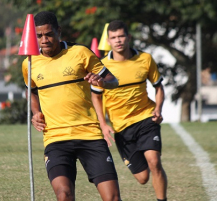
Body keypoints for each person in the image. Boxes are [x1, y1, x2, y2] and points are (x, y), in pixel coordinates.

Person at [22, 11, 121, 201]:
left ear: (59, 31)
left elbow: (113, 80)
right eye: (39, 35)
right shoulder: (29, 63)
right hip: (56, 139)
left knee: (112, 198)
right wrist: (36, 112)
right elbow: (31, 91)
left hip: (90, 135)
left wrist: (101, 81)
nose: (44, 39)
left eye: (49, 34)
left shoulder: (80, 53)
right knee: (64, 195)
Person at [91, 20, 167, 201]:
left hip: (146, 118)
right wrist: (103, 124)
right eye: (114, 37)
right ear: (108, 40)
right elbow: (96, 96)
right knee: (142, 178)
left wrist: (158, 108)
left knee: (154, 162)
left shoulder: (145, 59)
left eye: (121, 36)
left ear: (128, 37)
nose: (118, 40)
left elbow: (158, 87)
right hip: (122, 128)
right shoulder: (102, 66)